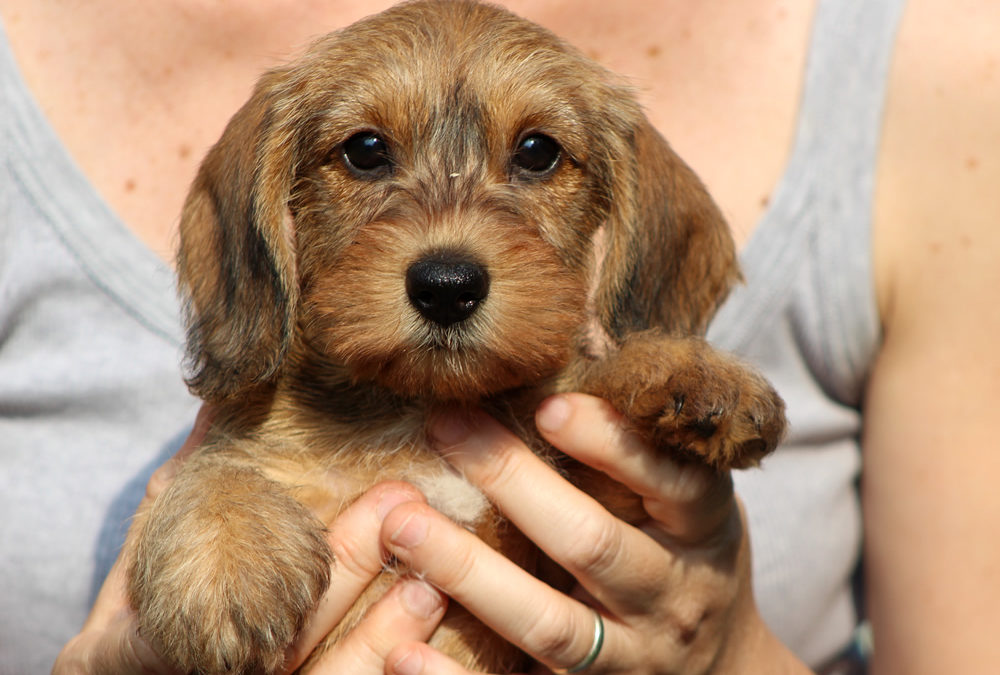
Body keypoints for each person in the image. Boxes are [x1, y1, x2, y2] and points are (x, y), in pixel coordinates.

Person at [1, 0, 998, 672]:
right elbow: (221, 482)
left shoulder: (928, 65)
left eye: (536, 155)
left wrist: (728, 648)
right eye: (362, 153)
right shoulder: (274, 430)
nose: (448, 255)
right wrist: (206, 524)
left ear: (622, 214)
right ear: (275, 205)